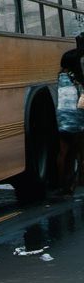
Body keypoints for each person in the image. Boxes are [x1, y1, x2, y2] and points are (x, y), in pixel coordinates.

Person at [56, 48, 84, 195]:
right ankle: (79, 179)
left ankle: (62, 184)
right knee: (78, 152)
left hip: (62, 121)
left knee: (62, 153)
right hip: (77, 120)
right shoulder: (79, 79)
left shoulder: (60, 78)